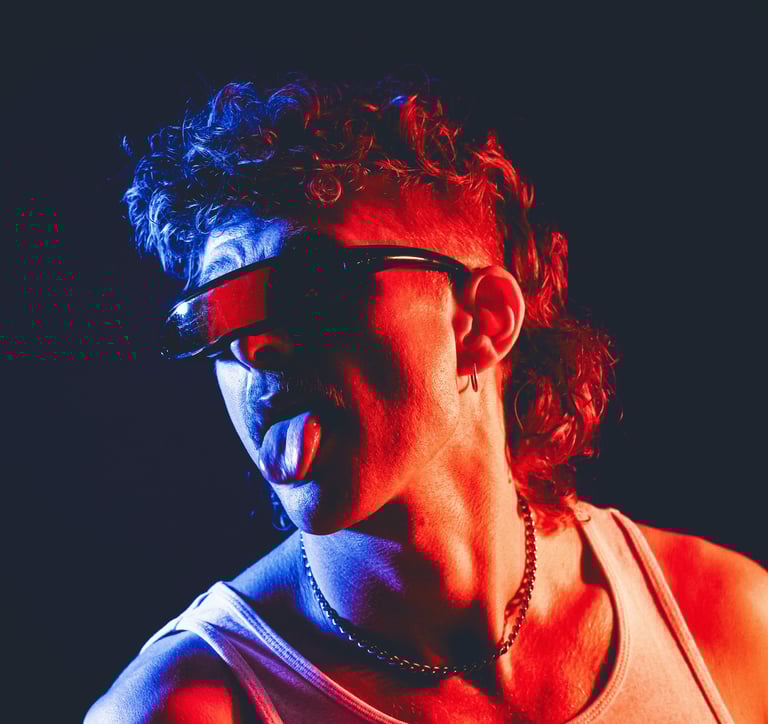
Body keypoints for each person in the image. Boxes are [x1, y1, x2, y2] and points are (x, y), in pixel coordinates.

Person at [86, 74, 766, 723]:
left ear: (481, 323)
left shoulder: (724, 620)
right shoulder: (183, 709)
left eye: (311, 287)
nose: (252, 348)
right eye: (220, 316)